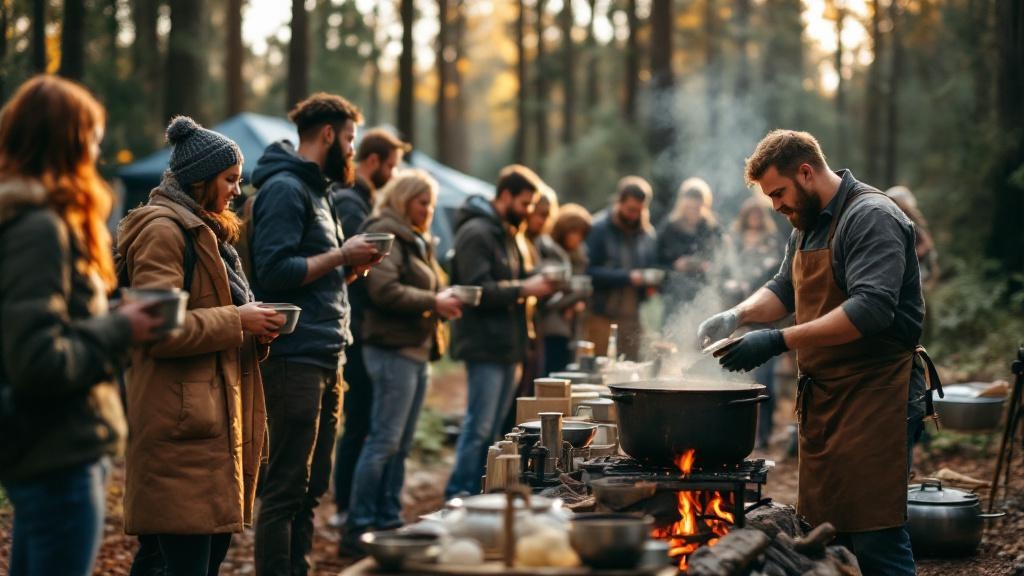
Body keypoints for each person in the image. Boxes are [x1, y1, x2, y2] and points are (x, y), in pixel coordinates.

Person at [697, 129, 931, 576]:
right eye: (769, 197)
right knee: (831, 530)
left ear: (806, 172)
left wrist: (779, 339)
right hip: (826, 397)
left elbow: (871, 310)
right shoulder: (805, 221)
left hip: (877, 394)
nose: (776, 206)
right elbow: (784, 288)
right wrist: (737, 315)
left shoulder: (871, 216)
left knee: (876, 533)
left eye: (779, 193)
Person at [0, 75, 162, 576]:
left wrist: (107, 320)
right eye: (91, 137)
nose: (97, 149)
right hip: (59, 456)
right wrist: (121, 330)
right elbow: (38, 359)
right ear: (68, 142)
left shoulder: (28, 220)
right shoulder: (39, 228)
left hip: (44, 451)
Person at [117, 116, 284, 576]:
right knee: (183, 563)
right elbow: (154, 328)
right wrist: (238, 319)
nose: (238, 189)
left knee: (188, 559)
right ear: (201, 179)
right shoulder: (163, 231)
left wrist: (254, 329)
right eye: (230, 179)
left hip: (207, 424)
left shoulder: (207, 231)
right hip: (178, 427)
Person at [250, 93, 382, 576]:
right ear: (328, 134)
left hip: (329, 353)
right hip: (294, 356)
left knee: (311, 489)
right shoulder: (285, 188)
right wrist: (341, 257)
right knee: (285, 488)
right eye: (349, 139)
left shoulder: (319, 190)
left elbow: (315, 273)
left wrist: (350, 268)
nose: (351, 148)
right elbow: (275, 271)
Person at [341, 170, 462, 553]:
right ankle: (358, 527)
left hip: (417, 347)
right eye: (422, 201)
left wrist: (444, 294)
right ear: (403, 198)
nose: (428, 209)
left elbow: (427, 284)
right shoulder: (385, 231)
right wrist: (433, 302)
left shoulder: (417, 236)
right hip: (391, 349)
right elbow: (383, 289)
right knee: (383, 441)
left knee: (401, 443)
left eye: (430, 203)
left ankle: (388, 518)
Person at [444, 164, 554, 498]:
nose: (529, 212)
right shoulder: (476, 232)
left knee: (493, 431)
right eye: (525, 203)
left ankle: (481, 494)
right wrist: (524, 288)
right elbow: (476, 289)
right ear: (504, 195)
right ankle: (458, 494)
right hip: (485, 345)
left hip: (510, 345)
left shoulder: (509, 233)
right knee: (478, 428)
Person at [330, 128, 410, 531]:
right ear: (373, 161)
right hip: (357, 326)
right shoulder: (349, 202)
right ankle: (345, 508)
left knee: (362, 419)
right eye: (391, 165)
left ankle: (348, 504)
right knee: (359, 420)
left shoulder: (361, 200)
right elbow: (347, 267)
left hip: (359, 325)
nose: (393, 174)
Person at [724, 198, 783, 449]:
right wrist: (730, 286)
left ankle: (765, 432)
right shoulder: (732, 242)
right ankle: (733, 430)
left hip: (766, 317)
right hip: (735, 313)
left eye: (759, 216)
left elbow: (781, 278)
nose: (755, 220)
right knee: (733, 377)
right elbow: (721, 273)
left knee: (765, 378)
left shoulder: (774, 242)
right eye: (752, 216)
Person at [585, 176, 657, 360]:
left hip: (632, 317)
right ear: (619, 202)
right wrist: (626, 277)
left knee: (631, 372)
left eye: (639, 211)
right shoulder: (598, 228)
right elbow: (589, 272)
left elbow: (651, 266)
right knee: (600, 368)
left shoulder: (646, 234)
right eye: (630, 209)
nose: (634, 215)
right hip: (602, 315)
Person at [656, 177, 726, 320]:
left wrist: (708, 266)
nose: (693, 211)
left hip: (705, 292)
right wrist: (673, 266)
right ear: (681, 204)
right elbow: (655, 263)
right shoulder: (669, 228)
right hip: (674, 294)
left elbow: (723, 259)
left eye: (697, 208)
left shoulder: (712, 228)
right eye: (689, 207)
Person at [541, 203, 593, 374]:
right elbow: (550, 299)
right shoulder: (549, 252)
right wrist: (575, 297)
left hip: (573, 326)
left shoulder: (579, 255)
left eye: (581, 234)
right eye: (574, 232)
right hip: (553, 327)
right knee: (553, 373)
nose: (577, 238)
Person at [885, 186, 939, 290]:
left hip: (918, 269)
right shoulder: (896, 219)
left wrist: (908, 255)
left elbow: (926, 244)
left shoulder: (911, 220)